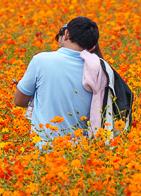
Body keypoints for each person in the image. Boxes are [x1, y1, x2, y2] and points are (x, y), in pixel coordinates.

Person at [13, 17, 108, 149]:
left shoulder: (41, 61)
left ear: (67, 34)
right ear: (92, 46)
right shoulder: (101, 68)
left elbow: (19, 101)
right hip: (83, 152)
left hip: (45, 150)